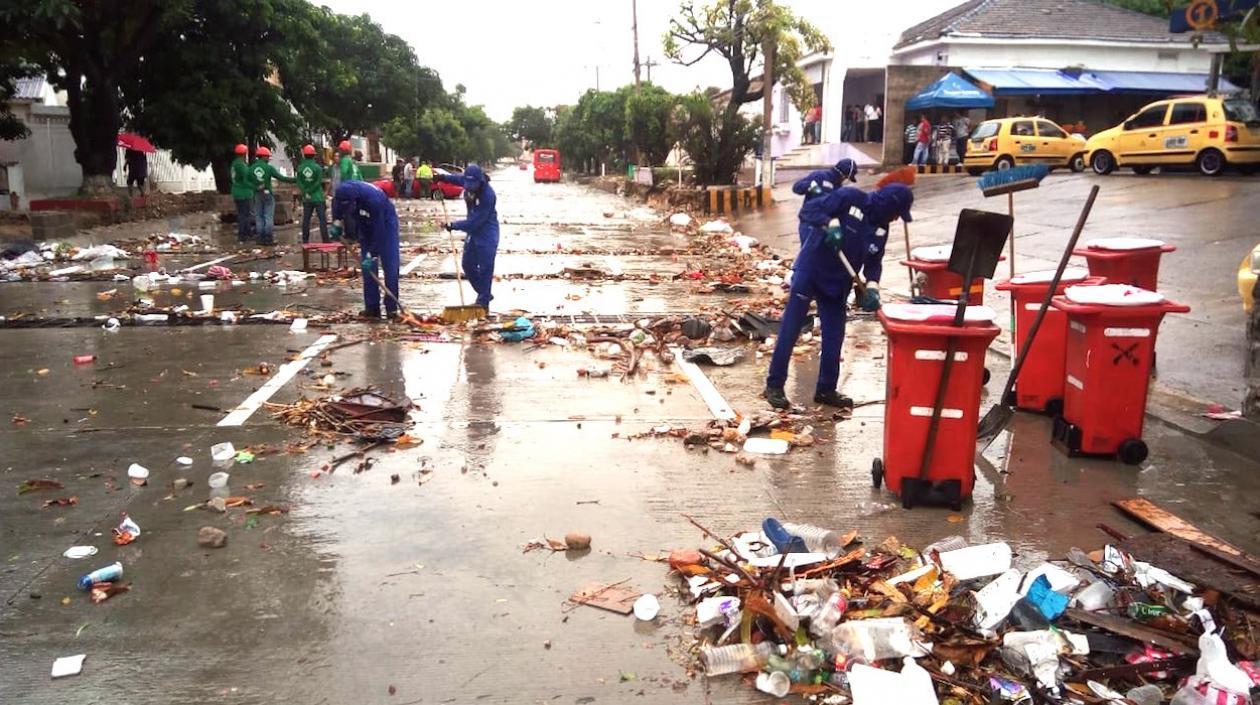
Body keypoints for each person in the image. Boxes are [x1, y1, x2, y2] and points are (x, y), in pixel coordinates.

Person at [763, 183, 915, 410]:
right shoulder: (850, 198)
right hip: (812, 270)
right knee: (791, 328)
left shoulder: (881, 228)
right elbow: (809, 211)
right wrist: (830, 223)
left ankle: (826, 389)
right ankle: (774, 385)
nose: (895, 219)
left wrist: (872, 287)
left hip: (838, 282)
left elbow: (874, 262)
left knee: (835, 335)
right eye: (895, 213)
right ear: (887, 204)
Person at [331, 180, 400, 320]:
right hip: (363, 224)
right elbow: (337, 211)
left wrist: (372, 254)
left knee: (390, 266)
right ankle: (372, 307)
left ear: (355, 200)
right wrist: (337, 223)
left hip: (385, 225)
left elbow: (379, 231)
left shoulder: (374, 200)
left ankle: (391, 308)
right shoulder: (340, 197)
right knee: (368, 269)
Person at [437, 163, 498, 310]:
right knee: (467, 264)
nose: (469, 187)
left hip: (487, 233)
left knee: (485, 268)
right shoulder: (467, 182)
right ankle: (484, 293)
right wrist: (442, 177)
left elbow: (474, 222)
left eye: (472, 184)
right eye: (467, 183)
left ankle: (483, 303)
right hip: (473, 232)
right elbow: (457, 179)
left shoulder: (488, 196)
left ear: (480, 181)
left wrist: (453, 225)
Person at [248, 146, 295, 246]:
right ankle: (268, 238)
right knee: (268, 216)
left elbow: (246, 182)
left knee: (259, 216)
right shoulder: (269, 168)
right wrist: (296, 179)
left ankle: (260, 239)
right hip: (267, 194)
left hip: (256, 194)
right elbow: (282, 178)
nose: (268, 159)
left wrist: (255, 187)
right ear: (263, 157)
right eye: (267, 157)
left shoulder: (251, 168)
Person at [792, 158, 859, 207]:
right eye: (847, 178)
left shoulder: (839, 188)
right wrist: (809, 186)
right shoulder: (819, 175)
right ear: (843, 175)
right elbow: (796, 187)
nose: (845, 180)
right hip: (809, 221)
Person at [295, 144, 327, 244]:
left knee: (306, 220)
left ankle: (305, 240)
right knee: (322, 219)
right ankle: (325, 240)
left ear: (304, 155)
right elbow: (318, 182)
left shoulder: (300, 168)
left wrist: (305, 192)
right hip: (318, 197)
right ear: (314, 155)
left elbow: (298, 181)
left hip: (307, 199)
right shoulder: (317, 168)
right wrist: (311, 191)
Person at [230, 144, 256, 243]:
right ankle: (244, 234)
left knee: (241, 214)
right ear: (244, 154)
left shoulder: (234, 163)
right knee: (246, 215)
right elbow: (246, 179)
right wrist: (255, 187)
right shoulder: (241, 165)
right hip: (244, 192)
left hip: (236, 191)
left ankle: (244, 233)